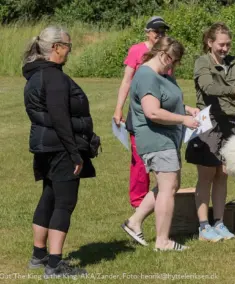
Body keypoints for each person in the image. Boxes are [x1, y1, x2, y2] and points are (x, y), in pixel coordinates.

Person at [23, 26, 96, 277]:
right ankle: (54, 265)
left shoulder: (36, 75)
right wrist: (75, 152)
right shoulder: (53, 76)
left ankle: (39, 255)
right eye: (68, 47)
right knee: (64, 203)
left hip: (45, 146)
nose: (69, 52)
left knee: (49, 197)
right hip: (60, 147)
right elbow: (59, 117)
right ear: (56, 48)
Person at [122, 36, 200, 250]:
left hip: (166, 138)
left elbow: (169, 102)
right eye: (173, 60)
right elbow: (153, 111)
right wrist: (184, 120)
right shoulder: (147, 76)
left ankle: (134, 221)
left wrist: (187, 109)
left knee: (169, 185)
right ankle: (163, 241)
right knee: (167, 188)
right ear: (163, 55)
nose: (173, 65)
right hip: (156, 138)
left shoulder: (162, 75)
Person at [185, 22, 235, 242]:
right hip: (209, 123)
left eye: (228, 44)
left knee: (223, 174)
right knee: (206, 176)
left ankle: (219, 222)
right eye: (221, 44)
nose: (225, 49)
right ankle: (203, 226)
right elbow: (209, 87)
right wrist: (233, 90)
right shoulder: (202, 62)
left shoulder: (234, 62)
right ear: (210, 43)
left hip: (230, 124)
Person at [113, 16, 170, 209]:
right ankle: (138, 200)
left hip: (162, 113)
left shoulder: (167, 52)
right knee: (139, 161)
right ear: (148, 32)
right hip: (139, 114)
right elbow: (127, 80)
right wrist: (119, 108)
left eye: (163, 31)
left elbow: (170, 83)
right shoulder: (137, 50)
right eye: (157, 32)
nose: (160, 35)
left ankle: (161, 196)